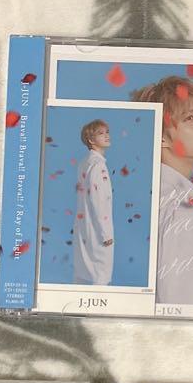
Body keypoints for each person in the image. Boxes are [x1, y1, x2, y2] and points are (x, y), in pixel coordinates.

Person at [131, 75, 193, 304]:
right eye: (190, 118)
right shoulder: (182, 211)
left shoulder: (148, 197)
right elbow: (185, 309)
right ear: (160, 138)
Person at [73, 118, 115, 284]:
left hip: (83, 228)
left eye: (107, 132)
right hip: (98, 231)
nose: (107, 136)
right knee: (100, 276)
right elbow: (98, 200)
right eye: (101, 133)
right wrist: (105, 233)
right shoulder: (98, 165)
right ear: (91, 140)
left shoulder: (85, 163)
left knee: (83, 274)